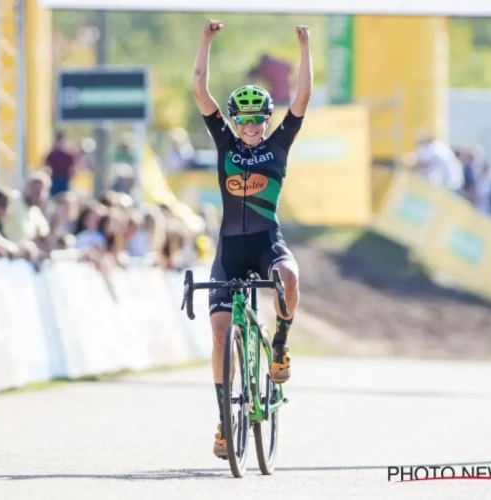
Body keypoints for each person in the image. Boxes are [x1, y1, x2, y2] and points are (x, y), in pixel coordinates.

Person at [193, 19, 312, 459]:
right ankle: (226, 421)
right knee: (221, 334)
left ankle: (279, 345)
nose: (249, 126)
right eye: (242, 119)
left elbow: (302, 99)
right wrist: (204, 42)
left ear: (265, 120)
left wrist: (305, 49)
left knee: (289, 277)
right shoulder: (224, 143)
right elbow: (201, 92)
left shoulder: (278, 144)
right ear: (234, 120)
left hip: (265, 244)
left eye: (256, 120)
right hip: (230, 251)